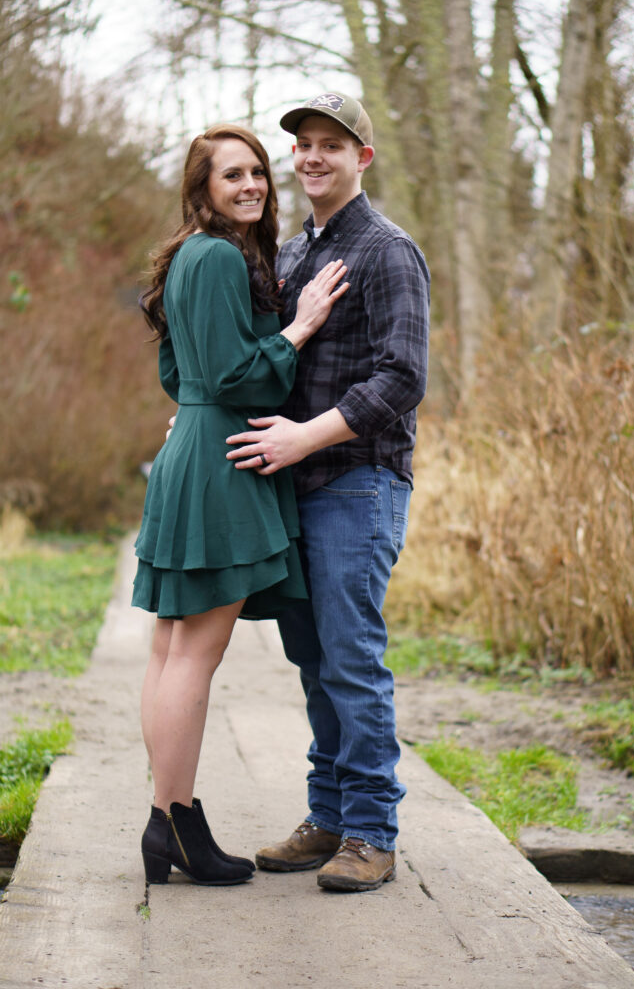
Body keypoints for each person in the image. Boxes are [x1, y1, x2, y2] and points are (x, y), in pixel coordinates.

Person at [132, 123, 349, 887]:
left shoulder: (187, 256)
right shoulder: (221, 256)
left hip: (192, 448)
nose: (251, 185)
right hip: (226, 464)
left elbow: (179, 370)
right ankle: (173, 823)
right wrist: (300, 326)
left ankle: (171, 824)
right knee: (194, 652)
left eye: (257, 171)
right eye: (232, 175)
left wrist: (196, 404)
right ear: (204, 189)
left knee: (170, 650)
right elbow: (238, 376)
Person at [226, 93, 430, 892]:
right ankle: (329, 816)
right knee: (313, 661)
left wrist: (305, 436)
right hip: (293, 488)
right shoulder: (289, 252)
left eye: (330, 146)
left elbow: (402, 377)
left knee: (350, 661)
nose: (312, 157)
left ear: (362, 159)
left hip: (356, 482)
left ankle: (372, 834)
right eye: (303, 145)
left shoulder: (385, 249)